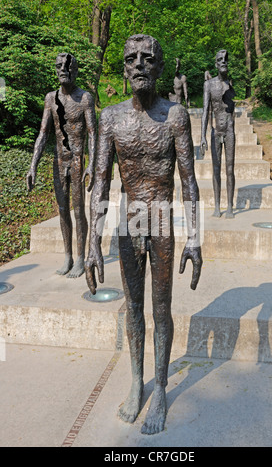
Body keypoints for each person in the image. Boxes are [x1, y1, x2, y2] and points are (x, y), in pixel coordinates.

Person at [85, 34, 202, 435]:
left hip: (163, 219)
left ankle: (163, 388)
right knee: (133, 307)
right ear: (123, 67)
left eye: (147, 58)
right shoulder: (111, 118)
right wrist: (92, 244)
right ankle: (137, 383)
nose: (139, 64)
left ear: (159, 67)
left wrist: (196, 238)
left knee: (161, 308)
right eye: (131, 58)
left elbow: (189, 181)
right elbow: (100, 182)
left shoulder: (176, 116)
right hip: (129, 217)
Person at [27, 53, 97, 277]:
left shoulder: (85, 98)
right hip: (59, 162)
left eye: (67, 66)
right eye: (59, 66)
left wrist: (92, 164)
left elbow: (93, 134)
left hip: (77, 161)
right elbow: (43, 134)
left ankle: (79, 257)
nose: (63, 70)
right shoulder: (50, 99)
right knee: (63, 210)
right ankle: (67, 255)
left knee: (78, 211)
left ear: (75, 71)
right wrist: (33, 165)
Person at [201, 49, 236, 218]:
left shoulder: (230, 84)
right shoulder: (209, 85)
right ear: (216, 64)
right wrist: (202, 136)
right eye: (220, 60)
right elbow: (206, 111)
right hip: (216, 132)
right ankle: (217, 206)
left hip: (229, 130)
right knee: (216, 169)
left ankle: (229, 206)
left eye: (225, 60)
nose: (223, 62)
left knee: (229, 169)